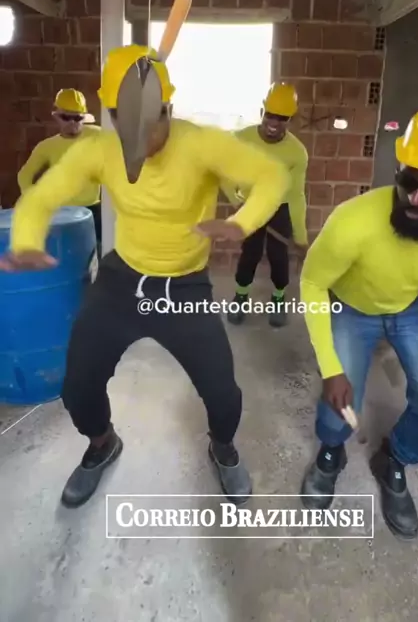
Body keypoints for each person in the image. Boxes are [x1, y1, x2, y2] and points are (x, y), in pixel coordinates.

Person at [0, 44, 289, 509]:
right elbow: (40, 197)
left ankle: (223, 447)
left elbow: (272, 176)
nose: (142, 135)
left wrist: (241, 223)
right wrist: (27, 240)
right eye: (125, 121)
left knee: (223, 393)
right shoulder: (99, 149)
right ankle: (102, 444)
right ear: (112, 116)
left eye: (152, 121)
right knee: (78, 386)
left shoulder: (201, 144)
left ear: (168, 108)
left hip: (184, 286)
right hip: (122, 279)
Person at [299, 102, 418, 540]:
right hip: (350, 307)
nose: (415, 198)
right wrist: (331, 367)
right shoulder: (353, 221)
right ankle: (331, 451)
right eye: (408, 181)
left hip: (410, 308)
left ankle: (393, 459)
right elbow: (312, 283)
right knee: (339, 406)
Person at [224, 82, 309, 328]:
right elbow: (224, 173)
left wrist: (301, 237)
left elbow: (296, 196)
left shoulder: (297, 153)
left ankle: (278, 299)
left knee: (278, 256)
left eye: (282, 118)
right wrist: (236, 201)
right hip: (251, 205)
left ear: (290, 119)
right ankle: (240, 297)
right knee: (249, 253)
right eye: (270, 115)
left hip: (279, 208)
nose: (274, 122)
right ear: (262, 112)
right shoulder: (241, 139)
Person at [17, 88, 102, 249]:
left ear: (84, 117)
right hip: (62, 213)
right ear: (56, 116)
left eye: (77, 118)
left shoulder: (98, 135)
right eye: (66, 117)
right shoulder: (47, 146)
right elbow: (24, 175)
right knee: (67, 253)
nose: (72, 123)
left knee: (97, 252)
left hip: (93, 210)